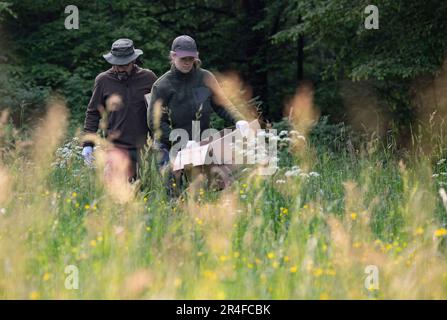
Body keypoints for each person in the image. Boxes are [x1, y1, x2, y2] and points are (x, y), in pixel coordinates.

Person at [147, 35, 248, 193]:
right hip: (170, 145)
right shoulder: (162, 85)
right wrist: (181, 141)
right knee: (174, 191)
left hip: (200, 143)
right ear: (173, 56)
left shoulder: (206, 77)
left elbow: (221, 104)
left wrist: (239, 120)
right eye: (183, 58)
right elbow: (155, 123)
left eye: (191, 58)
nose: (187, 62)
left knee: (218, 184)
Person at [81, 38, 157, 182]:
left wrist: (160, 139)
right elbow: (93, 113)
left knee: (142, 194)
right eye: (116, 64)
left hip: (143, 148)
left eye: (124, 64)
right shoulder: (103, 80)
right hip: (115, 148)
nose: (120, 68)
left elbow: (157, 111)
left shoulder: (148, 78)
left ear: (133, 61)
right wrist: (87, 144)